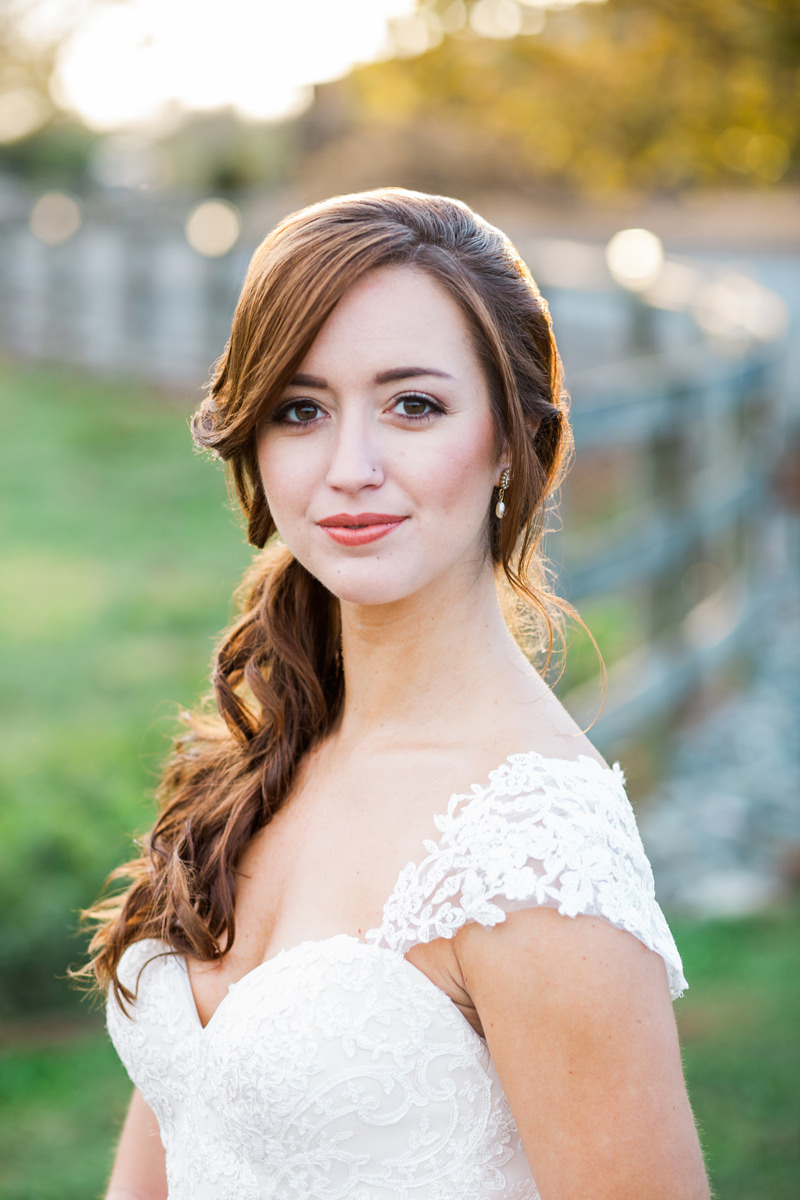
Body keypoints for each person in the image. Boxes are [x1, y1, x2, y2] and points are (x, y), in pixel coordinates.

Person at [82, 188, 709, 1199]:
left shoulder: (529, 855)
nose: (349, 469)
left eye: (412, 405)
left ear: (511, 438)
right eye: (300, 409)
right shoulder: (264, 754)